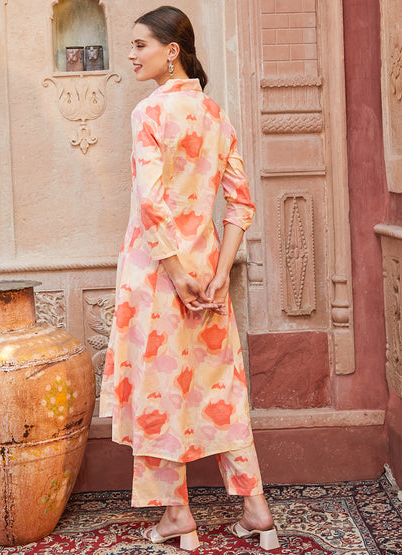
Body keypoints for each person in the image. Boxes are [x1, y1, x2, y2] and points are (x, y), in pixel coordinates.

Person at [99, 5, 279, 552]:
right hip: (207, 274)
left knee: (158, 390)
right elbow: (241, 205)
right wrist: (219, 273)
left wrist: (176, 273)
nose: (132, 56)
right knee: (221, 386)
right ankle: (257, 511)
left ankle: (178, 516)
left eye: (140, 45)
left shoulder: (149, 112)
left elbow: (152, 203)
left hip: (157, 274)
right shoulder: (215, 114)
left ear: (171, 50)